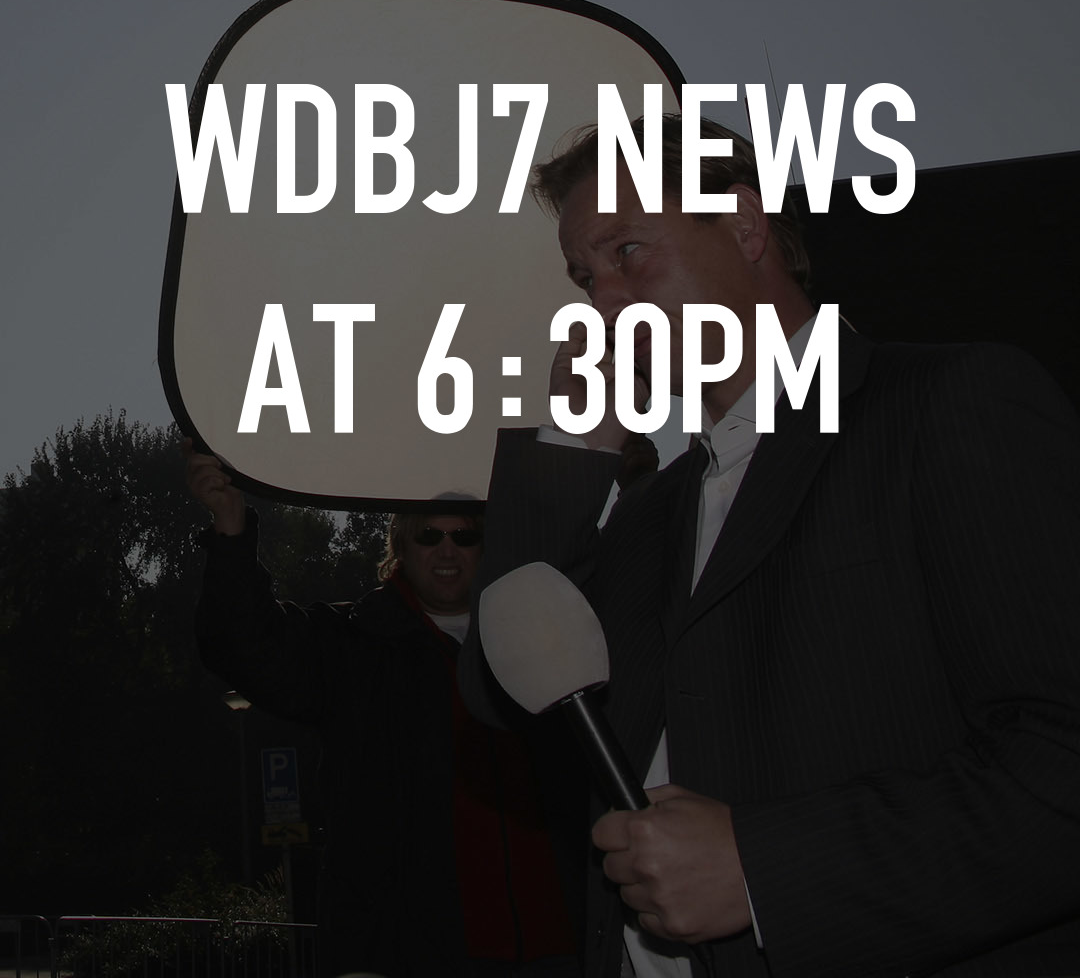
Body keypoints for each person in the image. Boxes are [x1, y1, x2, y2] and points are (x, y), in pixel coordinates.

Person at [459, 114, 1080, 978]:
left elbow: (1060, 762)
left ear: (745, 226)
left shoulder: (947, 405)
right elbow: (502, 692)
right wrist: (570, 448)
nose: (603, 302)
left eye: (628, 251)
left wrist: (763, 871)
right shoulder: (649, 515)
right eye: (585, 277)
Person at [189, 445, 585, 978]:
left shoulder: (543, 643)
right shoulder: (355, 645)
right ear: (401, 545)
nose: (447, 550)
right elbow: (243, 645)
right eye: (429, 535)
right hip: (407, 953)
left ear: (487, 547)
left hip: (555, 946)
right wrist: (231, 528)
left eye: (464, 536)